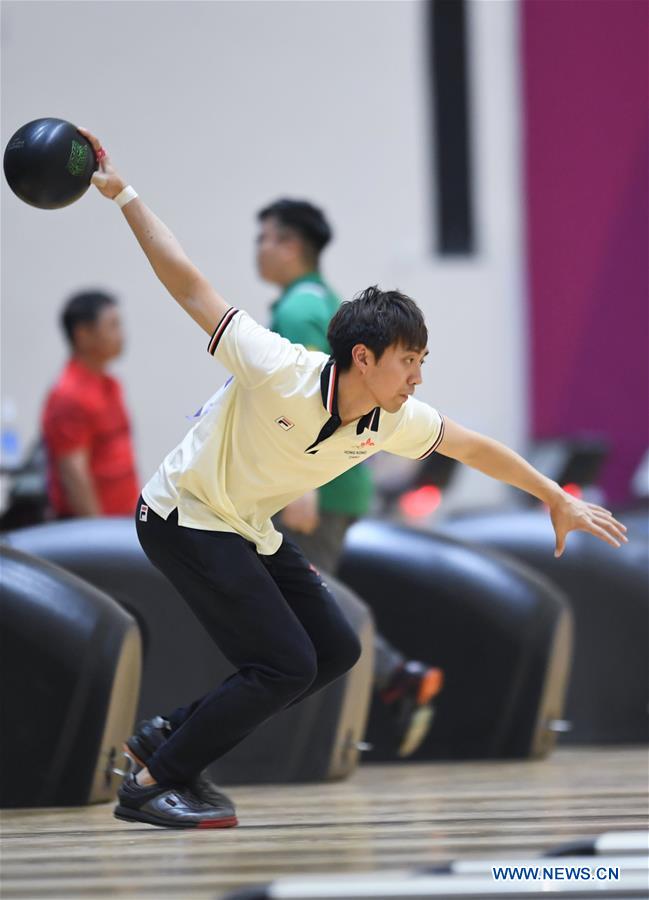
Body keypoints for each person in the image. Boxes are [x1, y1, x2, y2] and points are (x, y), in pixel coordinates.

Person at [80, 127, 627, 830]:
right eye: (409, 360)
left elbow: (472, 446)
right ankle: (153, 783)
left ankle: (166, 740)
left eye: (423, 359)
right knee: (281, 663)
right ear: (363, 358)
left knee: (334, 651)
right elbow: (188, 283)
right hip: (183, 517)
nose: (418, 376)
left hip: (246, 525)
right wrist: (121, 191)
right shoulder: (279, 368)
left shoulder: (387, 417)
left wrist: (553, 497)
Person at [258, 198, 443, 757]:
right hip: (336, 482)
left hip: (315, 486)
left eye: (266, 238)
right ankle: (391, 681)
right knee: (317, 601)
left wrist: (301, 485)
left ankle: (390, 680)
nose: (260, 250)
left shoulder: (295, 311)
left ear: (292, 245)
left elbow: (317, 401)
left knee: (311, 603)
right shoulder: (318, 300)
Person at [41, 290, 139, 518]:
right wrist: (97, 534)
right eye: (112, 326)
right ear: (83, 334)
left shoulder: (110, 384)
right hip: (95, 531)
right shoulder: (69, 395)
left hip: (123, 519)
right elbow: (74, 474)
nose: (121, 335)